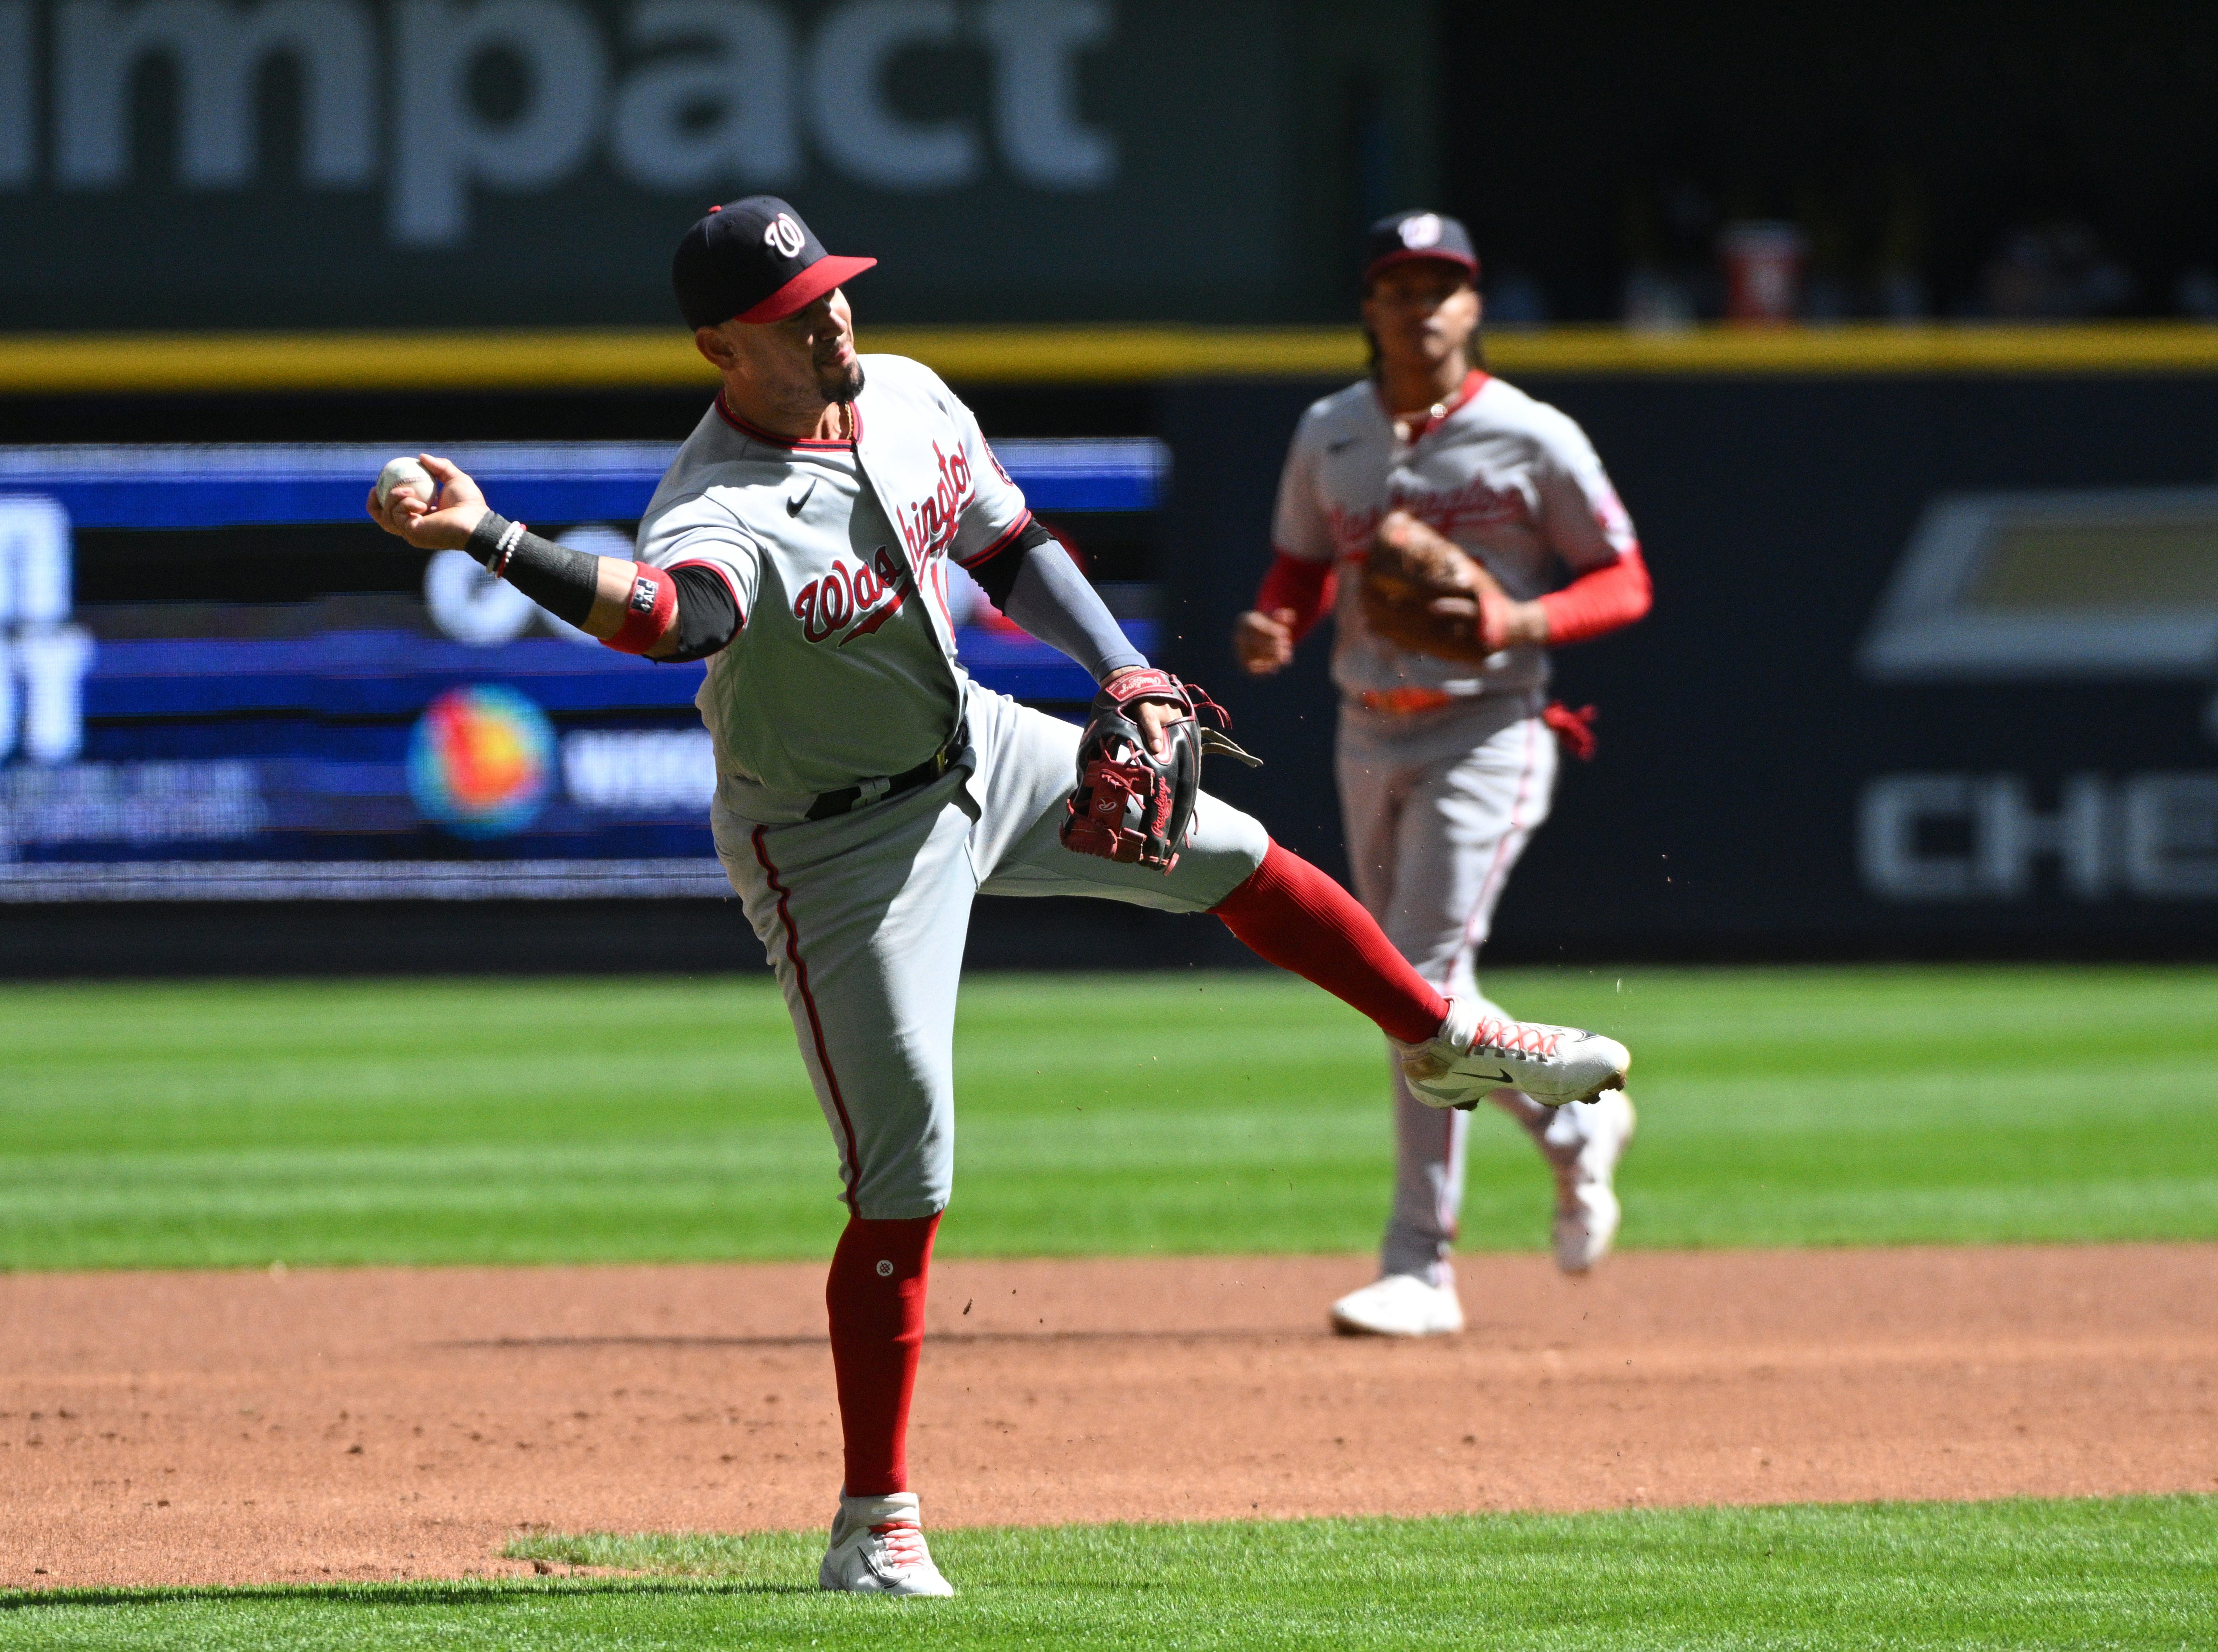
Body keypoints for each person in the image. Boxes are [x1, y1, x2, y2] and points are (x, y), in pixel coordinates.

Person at [369, 197, 1629, 1597]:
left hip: (980, 741)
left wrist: (1123, 671)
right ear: (725, 346)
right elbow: (674, 621)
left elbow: (1010, 541)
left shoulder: (902, 395)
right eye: (798, 313)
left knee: (1236, 852)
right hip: (835, 850)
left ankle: (1437, 1031)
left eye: (837, 288)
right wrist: (493, 534)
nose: (835, 315)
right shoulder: (718, 500)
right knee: (908, 1170)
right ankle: (872, 1520)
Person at [1235, 211, 1654, 1340]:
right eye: (1398, 284)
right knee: (1405, 980)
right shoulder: (1330, 431)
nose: (1421, 303)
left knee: (1411, 973)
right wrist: (1278, 620)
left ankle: (1420, 1263)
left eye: (1442, 284)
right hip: (1365, 726)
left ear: (1473, 304)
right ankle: (1572, 1131)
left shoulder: (1530, 434)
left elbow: (1623, 578)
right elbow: (1301, 562)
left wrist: (1526, 614)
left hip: (1490, 725)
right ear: (1368, 308)